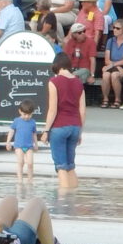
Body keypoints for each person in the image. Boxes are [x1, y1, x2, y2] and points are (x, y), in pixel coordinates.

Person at [39, 53, 86, 190]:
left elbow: (52, 110)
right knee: (70, 166)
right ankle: (73, 195)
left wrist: (46, 130)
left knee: (61, 167)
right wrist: (80, 132)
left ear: (56, 66)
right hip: (75, 126)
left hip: (59, 127)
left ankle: (64, 200)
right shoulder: (78, 82)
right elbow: (82, 111)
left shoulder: (54, 82)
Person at [101, 21, 123, 108]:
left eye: (117, 28)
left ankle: (118, 99)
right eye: (113, 27)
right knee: (105, 75)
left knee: (114, 75)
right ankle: (105, 99)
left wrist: (113, 65)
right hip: (112, 65)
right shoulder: (110, 41)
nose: (114, 30)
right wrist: (114, 65)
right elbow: (107, 59)